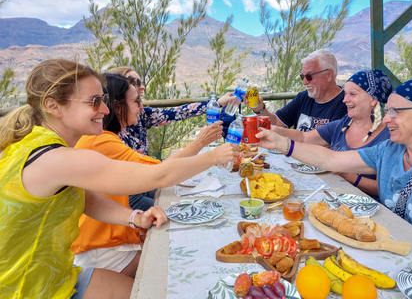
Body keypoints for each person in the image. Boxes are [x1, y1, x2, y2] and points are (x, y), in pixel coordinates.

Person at [0, 59, 238, 299]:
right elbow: (159, 175)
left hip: (55, 275)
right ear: (53, 106)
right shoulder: (58, 159)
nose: (104, 110)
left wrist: (134, 217)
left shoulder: (31, 143)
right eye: (94, 102)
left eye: (103, 100)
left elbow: (84, 198)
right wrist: (214, 156)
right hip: (28, 289)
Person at [257, 76, 412, 271]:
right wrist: (282, 143)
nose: (385, 119)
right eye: (386, 111)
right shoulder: (391, 149)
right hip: (403, 253)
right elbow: (332, 159)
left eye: (395, 112)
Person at [72, 73, 224, 274]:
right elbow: (160, 173)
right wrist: (206, 149)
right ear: (117, 107)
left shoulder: (108, 138)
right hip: (102, 248)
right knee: (179, 264)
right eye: (136, 101)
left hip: (115, 234)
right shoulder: (100, 142)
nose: (141, 107)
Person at [281, 69, 393, 199]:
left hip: (366, 208)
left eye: (352, 94)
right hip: (333, 197)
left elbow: (386, 189)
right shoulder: (343, 125)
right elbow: (304, 137)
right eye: (345, 94)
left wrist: (348, 175)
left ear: (373, 100)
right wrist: (275, 132)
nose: (345, 100)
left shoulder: (388, 138)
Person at [109, 66, 234, 155]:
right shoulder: (109, 134)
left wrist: (216, 103)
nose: (142, 87)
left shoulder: (141, 114)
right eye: (134, 82)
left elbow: (178, 112)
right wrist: (200, 143)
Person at [246, 49, 347, 133]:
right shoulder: (303, 97)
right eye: (303, 76)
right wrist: (259, 109)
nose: (304, 82)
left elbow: (329, 142)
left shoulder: (346, 103)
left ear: (329, 75)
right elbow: (277, 122)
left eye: (309, 76)